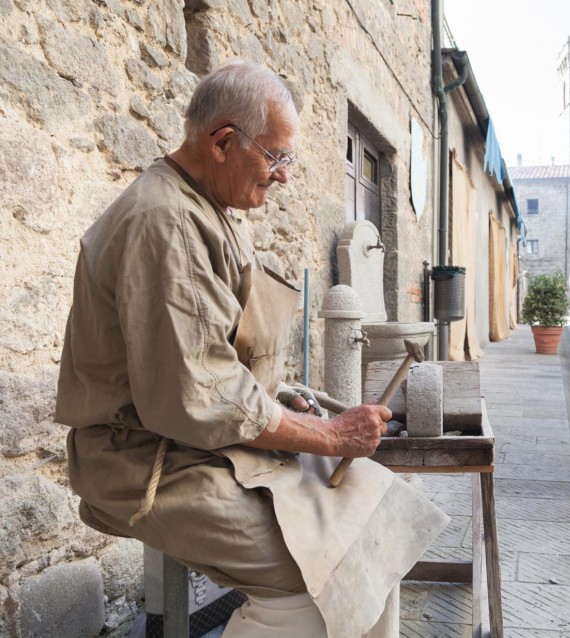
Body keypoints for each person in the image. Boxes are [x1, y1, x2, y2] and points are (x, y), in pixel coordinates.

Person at [55, 61, 448, 637]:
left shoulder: (212, 208)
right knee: (317, 586)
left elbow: (223, 357)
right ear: (221, 142)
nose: (284, 176)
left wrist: (287, 402)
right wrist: (329, 436)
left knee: (376, 532)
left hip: (206, 445)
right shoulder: (165, 222)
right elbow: (204, 395)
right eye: (276, 157)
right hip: (147, 460)